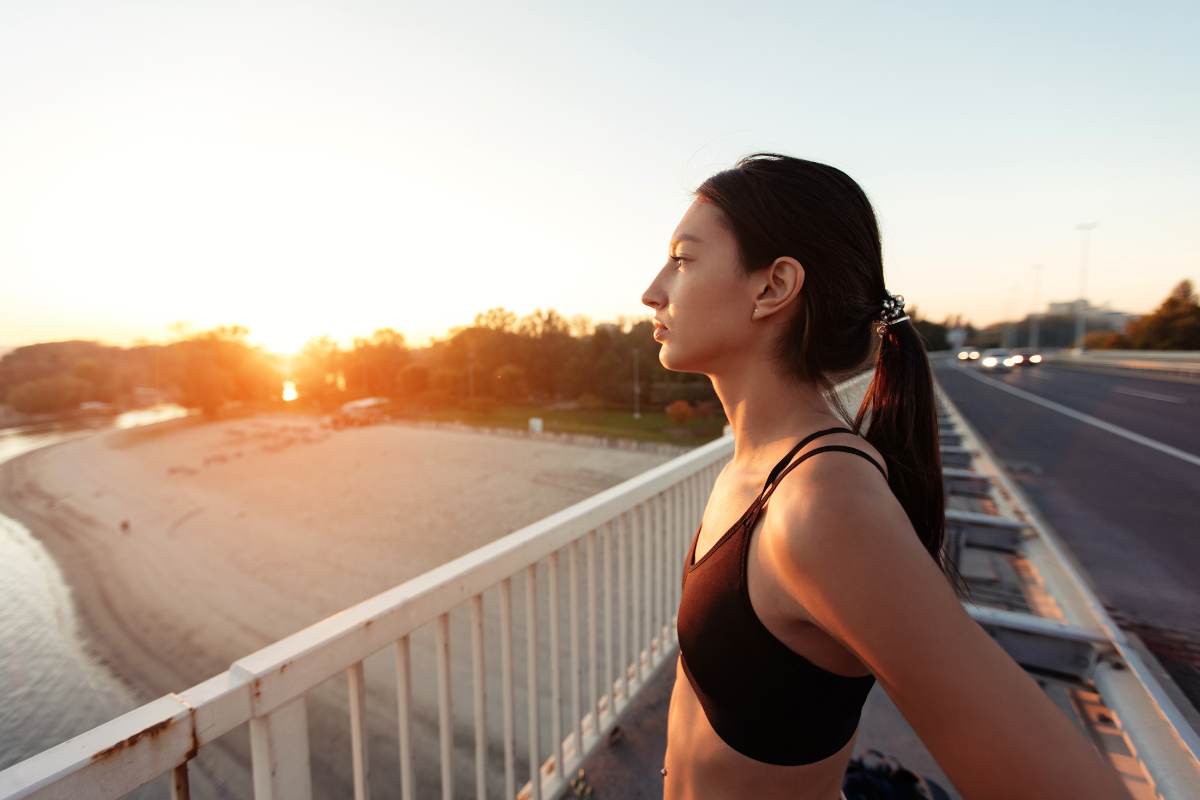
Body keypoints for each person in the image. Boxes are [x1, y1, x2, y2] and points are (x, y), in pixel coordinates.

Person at [640, 153, 1130, 800]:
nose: (653, 290)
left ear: (773, 287)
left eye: (682, 259)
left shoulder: (823, 503)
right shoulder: (760, 465)